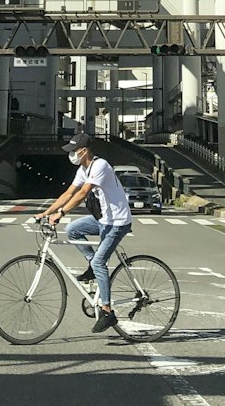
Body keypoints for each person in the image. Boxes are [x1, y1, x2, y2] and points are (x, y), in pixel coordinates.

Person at [35, 132, 133, 333]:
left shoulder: (100, 166)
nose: (71, 154)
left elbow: (82, 194)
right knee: (73, 230)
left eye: (73, 150)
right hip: (103, 219)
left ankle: (107, 312)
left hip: (117, 222)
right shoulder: (83, 169)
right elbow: (69, 192)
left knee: (100, 263)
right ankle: (92, 263)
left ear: (84, 150)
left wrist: (61, 213)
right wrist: (47, 212)